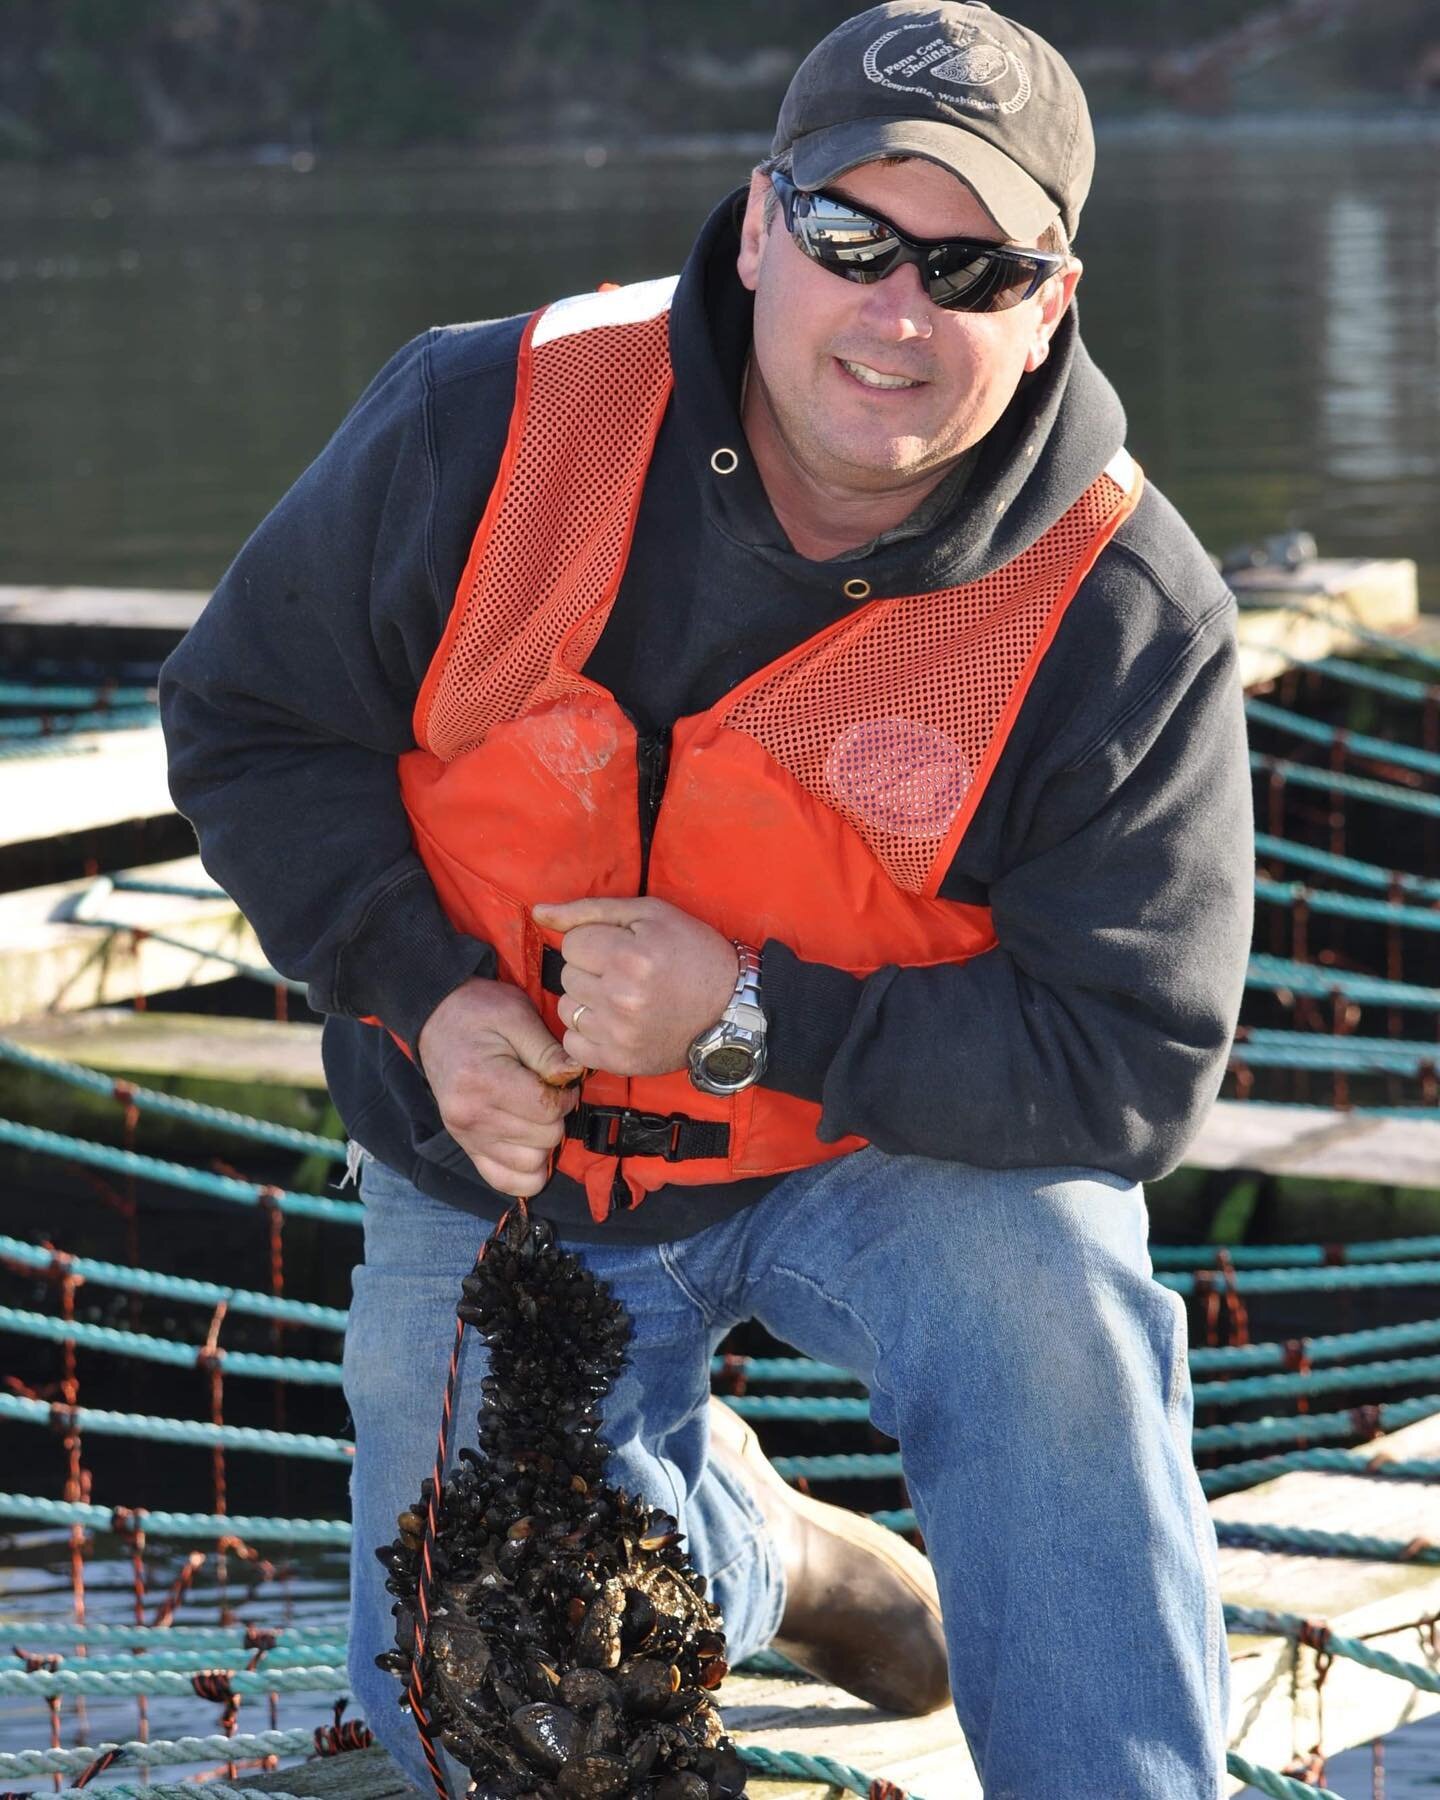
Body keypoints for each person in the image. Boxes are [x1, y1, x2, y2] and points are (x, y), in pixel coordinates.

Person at [160, 2, 1253, 1792]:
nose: (900, 313)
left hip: (874, 1157)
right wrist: (429, 998)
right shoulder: (478, 415)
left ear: (1054, 301)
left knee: (1064, 1303)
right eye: (851, 238)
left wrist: (749, 1014)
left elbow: (1133, 1065)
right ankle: (765, 1545)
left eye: (974, 269)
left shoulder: (1127, 609)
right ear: (758, 227)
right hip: (495, 1161)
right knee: (461, 1714)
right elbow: (244, 717)